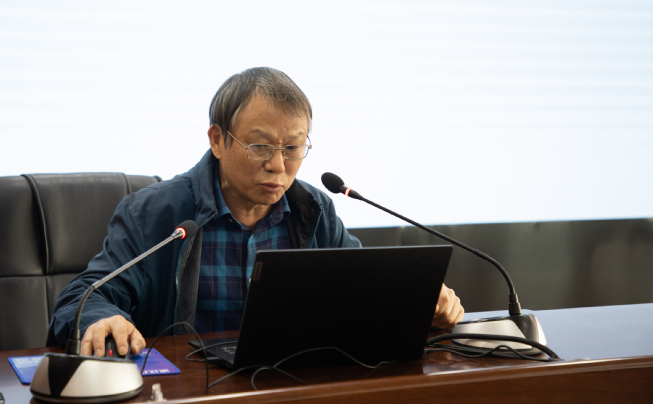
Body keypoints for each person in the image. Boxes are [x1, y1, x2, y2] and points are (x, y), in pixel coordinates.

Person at [47, 67, 464, 357]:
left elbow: (367, 291)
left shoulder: (313, 209)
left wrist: (420, 303)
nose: (278, 166)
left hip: (291, 383)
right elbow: (82, 298)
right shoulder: (155, 213)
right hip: (187, 388)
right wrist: (101, 319)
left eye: (293, 147)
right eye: (260, 146)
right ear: (217, 140)